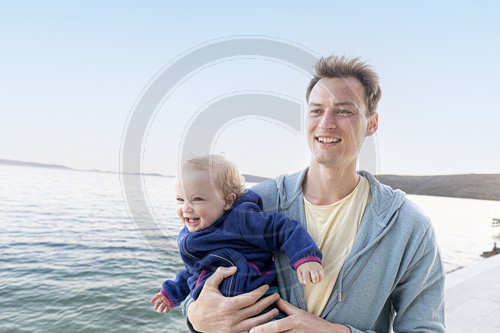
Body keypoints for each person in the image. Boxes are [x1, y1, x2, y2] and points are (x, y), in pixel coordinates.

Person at [183, 56, 445, 333]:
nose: (326, 123)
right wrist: (194, 315)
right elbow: (202, 274)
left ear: (372, 123)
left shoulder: (409, 227)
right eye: (317, 111)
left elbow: (425, 328)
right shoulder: (253, 205)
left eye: (344, 111)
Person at [149, 155, 324, 316]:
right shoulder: (192, 237)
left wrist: (305, 257)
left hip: (258, 303)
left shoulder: (242, 219)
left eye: (197, 199)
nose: (186, 208)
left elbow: (284, 229)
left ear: (228, 201)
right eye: (180, 200)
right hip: (216, 312)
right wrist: (171, 293)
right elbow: (193, 271)